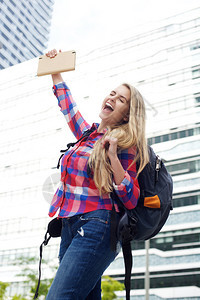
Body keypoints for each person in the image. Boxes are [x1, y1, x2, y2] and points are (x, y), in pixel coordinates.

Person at [45, 49, 149, 300]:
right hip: (70, 225)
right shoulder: (86, 134)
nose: (113, 97)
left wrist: (113, 157)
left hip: (97, 226)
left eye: (122, 99)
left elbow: (131, 198)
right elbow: (69, 108)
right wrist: (55, 71)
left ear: (126, 114)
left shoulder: (124, 142)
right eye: (112, 93)